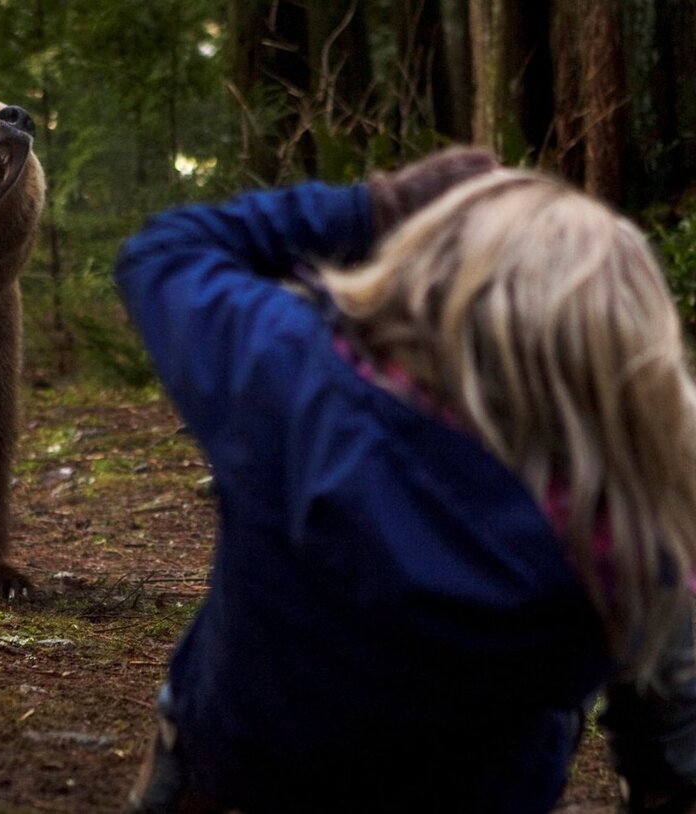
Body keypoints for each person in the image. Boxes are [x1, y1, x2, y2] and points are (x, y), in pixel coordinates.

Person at [114, 148, 696, 813]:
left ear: (428, 277)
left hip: (245, 764)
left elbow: (163, 252)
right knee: (658, 609)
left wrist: (373, 208)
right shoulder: (629, 537)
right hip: (482, 793)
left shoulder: (292, 381)